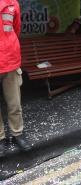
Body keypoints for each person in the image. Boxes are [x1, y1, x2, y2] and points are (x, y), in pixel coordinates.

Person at [0, 0, 31, 157]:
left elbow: (16, 29)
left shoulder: (13, 3)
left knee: (15, 103)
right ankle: (0, 138)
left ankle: (17, 134)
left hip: (10, 60)